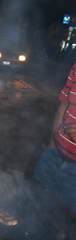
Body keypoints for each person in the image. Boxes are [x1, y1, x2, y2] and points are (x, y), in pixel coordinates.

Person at [34, 63, 76, 213]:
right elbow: (63, 105)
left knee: (66, 227)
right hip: (53, 157)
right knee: (33, 209)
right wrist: (51, 144)